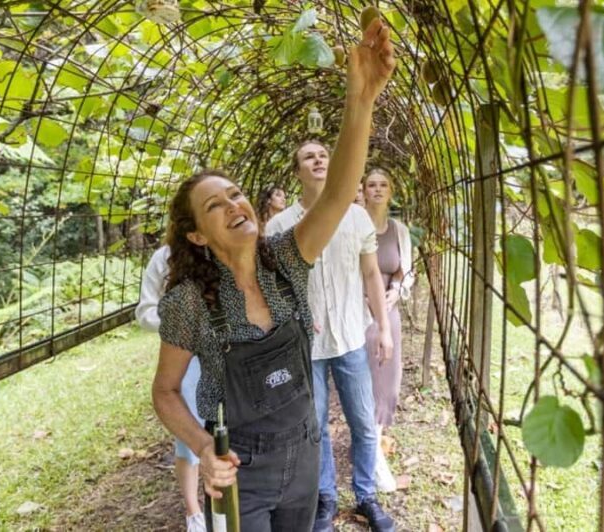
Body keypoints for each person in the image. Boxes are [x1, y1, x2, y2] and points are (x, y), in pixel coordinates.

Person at [151, 19, 395, 532]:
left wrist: (361, 99)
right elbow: (166, 392)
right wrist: (203, 448)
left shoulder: (286, 258)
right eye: (214, 206)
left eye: (235, 194)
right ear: (197, 236)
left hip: (305, 456)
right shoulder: (189, 301)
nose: (233, 206)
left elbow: (337, 194)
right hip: (243, 471)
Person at [266, 147, 396, 531]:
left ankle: (366, 496)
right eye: (309, 157)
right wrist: (292, 315)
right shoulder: (279, 227)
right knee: (316, 425)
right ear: (297, 171)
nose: (319, 160)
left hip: (351, 337)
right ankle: (325, 498)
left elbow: (371, 275)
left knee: (363, 422)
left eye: (324, 154)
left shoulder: (356, 217)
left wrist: (384, 328)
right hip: (305, 345)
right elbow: (272, 286)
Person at [136, 247, 206, 532]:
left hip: (227, 352)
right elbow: (145, 312)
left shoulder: (223, 245)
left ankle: (228, 504)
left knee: (230, 429)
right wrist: (180, 321)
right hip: (184, 359)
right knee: (188, 434)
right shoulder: (163, 258)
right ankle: (194, 513)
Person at [362, 168, 414, 493]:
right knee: (364, 383)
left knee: (387, 385)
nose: (378, 190)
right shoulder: (353, 224)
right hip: (359, 312)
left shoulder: (399, 230)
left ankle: (375, 447)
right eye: (372, 185)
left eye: (383, 185)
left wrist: (397, 288)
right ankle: (372, 455)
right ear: (363, 190)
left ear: (391, 192)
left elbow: (405, 270)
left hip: (388, 313)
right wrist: (365, 298)